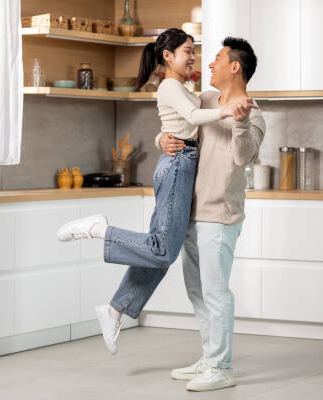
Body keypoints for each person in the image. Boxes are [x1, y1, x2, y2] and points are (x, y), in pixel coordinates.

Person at [55, 28, 256, 357]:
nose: (196, 58)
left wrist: (162, 137)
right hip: (178, 168)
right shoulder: (173, 86)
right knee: (161, 250)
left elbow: (180, 123)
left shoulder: (197, 92)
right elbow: (191, 118)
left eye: (198, 52)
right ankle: (96, 229)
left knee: (160, 253)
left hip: (182, 166)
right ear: (167, 56)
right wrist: (223, 114)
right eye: (187, 51)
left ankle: (116, 310)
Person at [158, 37, 265, 392]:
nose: (209, 64)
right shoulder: (204, 100)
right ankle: (209, 356)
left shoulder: (254, 112)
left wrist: (242, 121)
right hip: (191, 209)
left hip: (220, 212)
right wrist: (162, 137)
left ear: (235, 66)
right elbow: (181, 122)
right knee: (197, 289)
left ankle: (221, 366)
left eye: (217, 58)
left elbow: (243, 156)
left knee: (216, 290)